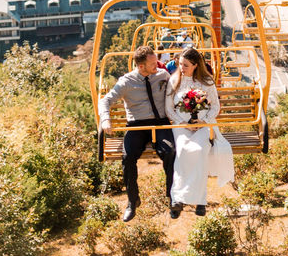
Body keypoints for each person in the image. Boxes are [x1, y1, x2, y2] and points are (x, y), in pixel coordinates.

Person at [98, 45, 175, 222]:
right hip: (137, 125)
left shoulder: (163, 76)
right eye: (153, 63)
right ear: (141, 66)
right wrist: (105, 120)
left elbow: (176, 90)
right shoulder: (126, 82)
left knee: (171, 152)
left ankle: (172, 196)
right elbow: (105, 101)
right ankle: (133, 201)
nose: (158, 65)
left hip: (160, 123)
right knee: (128, 157)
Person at [165, 47, 234, 218]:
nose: (182, 68)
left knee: (200, 150)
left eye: (186, 65)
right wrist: (182, 123)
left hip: (204, 126)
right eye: (180, 64)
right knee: (182, 150)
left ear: (195, 65)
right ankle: (177, 198)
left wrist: (204, 121)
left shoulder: (206, 82)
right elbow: (169, 108)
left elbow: (215, 106)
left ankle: (200, 200)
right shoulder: (174, 80)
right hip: (181, 126)